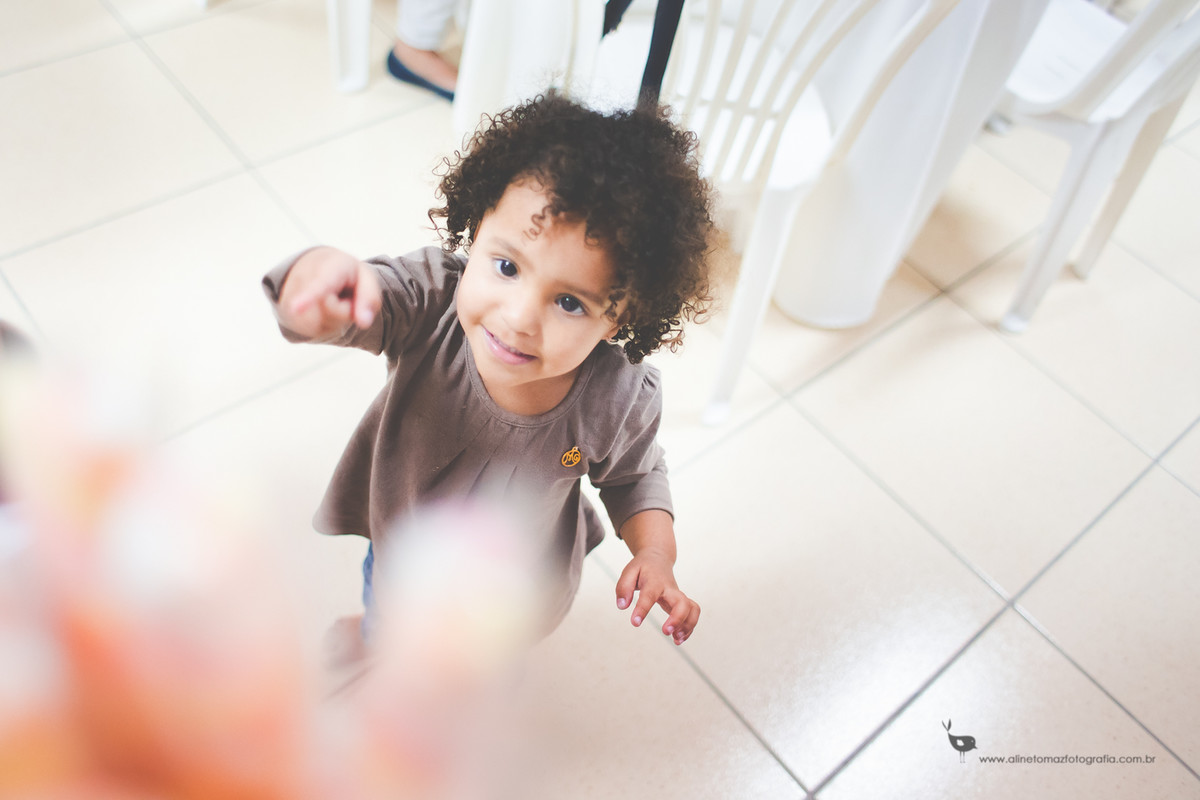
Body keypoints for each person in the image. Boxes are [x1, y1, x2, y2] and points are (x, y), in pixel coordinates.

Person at [263, 93, 713, 653]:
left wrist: (654, 553)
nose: (520, 317)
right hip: (405, 547)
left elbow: (635, 478)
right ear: (475, 229)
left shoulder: (615, 398)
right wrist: (319, 285)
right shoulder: (429, 302)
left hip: (510, 594)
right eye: (506, 267)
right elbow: (364, 299)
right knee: (390, 618)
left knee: (475, 669)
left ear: (620, 318)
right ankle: (378, 638)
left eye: (570, 302)